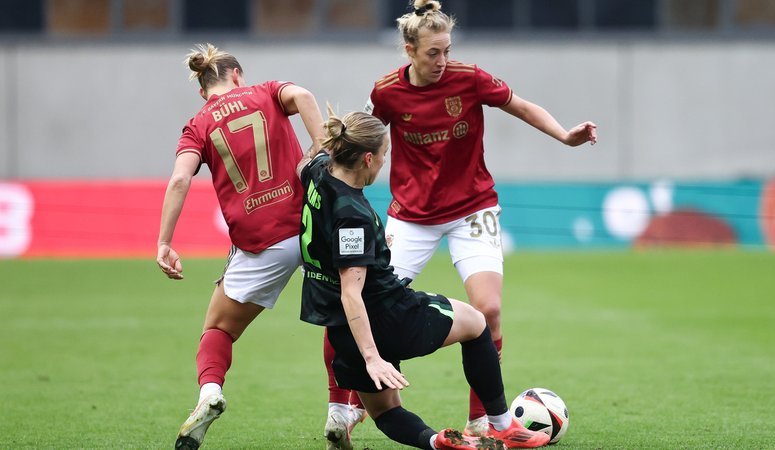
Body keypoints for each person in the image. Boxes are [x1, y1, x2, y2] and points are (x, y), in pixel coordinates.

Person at [322, 0, 598, 438]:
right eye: (433, 52)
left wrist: (565, 135)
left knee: (488, 310)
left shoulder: (469, 79)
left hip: (472, 209)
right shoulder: (387, 92)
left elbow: (521, 106)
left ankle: (483, 420)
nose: (442, 60)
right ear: (409, 50)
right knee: (351, 301)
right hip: (411, 217)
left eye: (447, 50)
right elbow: (362, 139)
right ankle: (342, 408)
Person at [298, 109, 551, 450]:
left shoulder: (315, 173)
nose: (385, 162)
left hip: (344, 330)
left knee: (385, 410)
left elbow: (303, 165)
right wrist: (373, 357)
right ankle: (502, 425)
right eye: (385, 154)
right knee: (477, 323)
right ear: (368, 158)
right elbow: (351, 292)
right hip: (388, 315)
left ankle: (435, 442)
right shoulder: (352, 214)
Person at [156, 43, 325, 450]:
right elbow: (302, 95)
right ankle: (339, 411)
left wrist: (164, 241)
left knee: (218, 329)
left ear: (203, 89)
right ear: (237, 75)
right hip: (308, 224)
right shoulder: (266, 91)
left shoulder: (197, 124)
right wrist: (321, 151)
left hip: (260, 243)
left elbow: (180, 180)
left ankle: (209, 393)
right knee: (344, 313)